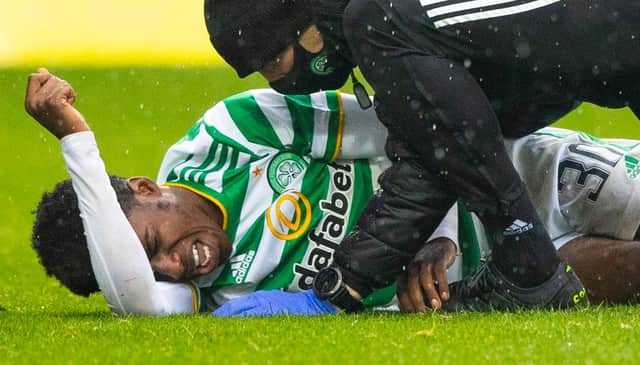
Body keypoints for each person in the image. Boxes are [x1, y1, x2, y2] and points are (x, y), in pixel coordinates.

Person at [27, 69, 640, 316]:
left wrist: (439, 236)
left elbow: (421, 126)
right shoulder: (207, 296)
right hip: (495, 279)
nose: (171, 266)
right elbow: (136, 300)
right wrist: (78, 142)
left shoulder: (231, 133)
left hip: (511, 173)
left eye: (154, 242)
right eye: (152, 270)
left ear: (145, 187)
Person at [204, 0, 640, 312]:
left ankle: (530, 271)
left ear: (306, 24)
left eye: (270, 60)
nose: (274, 80)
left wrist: (527, 262)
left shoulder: (379, 19)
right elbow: (438, 147)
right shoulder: (403, 23)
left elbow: (448, 138)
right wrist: (344, 285)